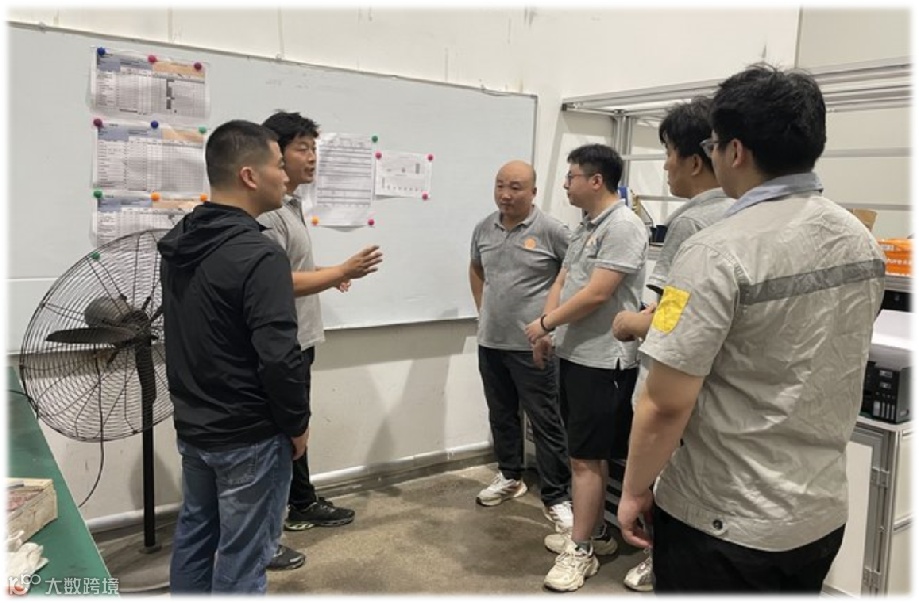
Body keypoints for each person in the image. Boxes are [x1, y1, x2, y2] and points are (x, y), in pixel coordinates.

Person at [617, 64, 886, 593]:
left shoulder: (710, 251)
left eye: (713, 144)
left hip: (723, 519)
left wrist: (634, 488)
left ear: (735, 151)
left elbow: (664, 401)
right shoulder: (861, 240)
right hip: (819, 512)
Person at [158, 119, 310, 594]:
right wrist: (297, 424)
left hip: (195, 426)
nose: (285, 176)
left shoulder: (180, 242)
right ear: (249, 175)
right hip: (249, 435)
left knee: (196, 536)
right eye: (278, 166)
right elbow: (279, 357)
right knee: (244, 560)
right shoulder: (260, 256)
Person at [610, 96, 735, 593]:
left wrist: (628, 323)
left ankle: (656, 557)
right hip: (722, 385)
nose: (665, 166)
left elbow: (670, 315)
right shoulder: (749, 212)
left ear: (696, 160)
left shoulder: (691, 221)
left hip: (678, 374)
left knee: (665, 474)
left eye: (667, 153)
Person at [258, 111, 383, 570]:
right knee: (282, 435)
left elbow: (290, 270)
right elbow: (270, 282)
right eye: (302, 148)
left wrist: (330, 275)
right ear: (274, 152)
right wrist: (338, 272)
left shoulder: (290, 204)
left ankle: (302, 502)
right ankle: (266, 535)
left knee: (296, 429)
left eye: (314, 148)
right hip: (281, 344)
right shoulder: (267, 212)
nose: (312, 157)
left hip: (301, 338)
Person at [524, 143, 648, 592]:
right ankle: (593, 533)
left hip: (604, 361)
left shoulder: (624, 226)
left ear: (596, 180)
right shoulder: (587, 225)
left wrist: (544, 324)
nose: (565, 184)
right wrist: (549, 331)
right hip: (575, 354)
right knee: (583, 454)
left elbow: (598, 293)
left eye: (571, 176)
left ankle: (581, 550)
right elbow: (563, 279)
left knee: (586, 459)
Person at [469, 160, 573, 534]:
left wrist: (551, 324)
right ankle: (510, 476)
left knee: (546, 422)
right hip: (491, 342)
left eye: (515, 187)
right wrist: (483, 311)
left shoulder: (552, 231)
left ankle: (558, 496)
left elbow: (572, 276)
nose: (505, 194)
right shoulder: (484, 227)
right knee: (501, 414)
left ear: (533, 192)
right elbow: (476, 268)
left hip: (534, 347)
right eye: (500, 185)